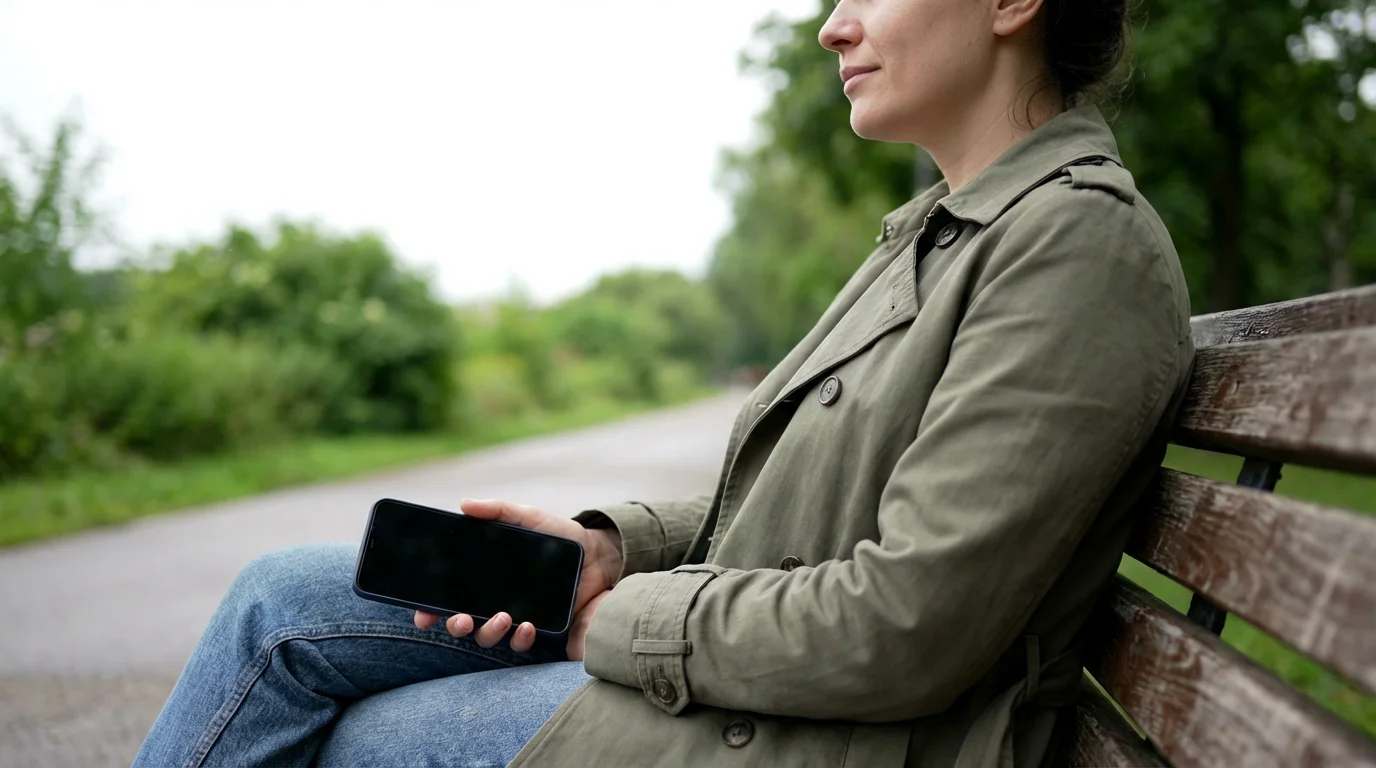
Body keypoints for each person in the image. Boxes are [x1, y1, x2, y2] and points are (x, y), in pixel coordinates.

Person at [135, 0, 1194, 765]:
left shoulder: (1073, 246)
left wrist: (620, 620)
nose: (830, 25)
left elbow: (906, 626)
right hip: (767, 682)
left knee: (364, 740)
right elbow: (795, 506)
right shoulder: (939, 233)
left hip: (838, 737)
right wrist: (604, 549)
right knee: (278, 598)